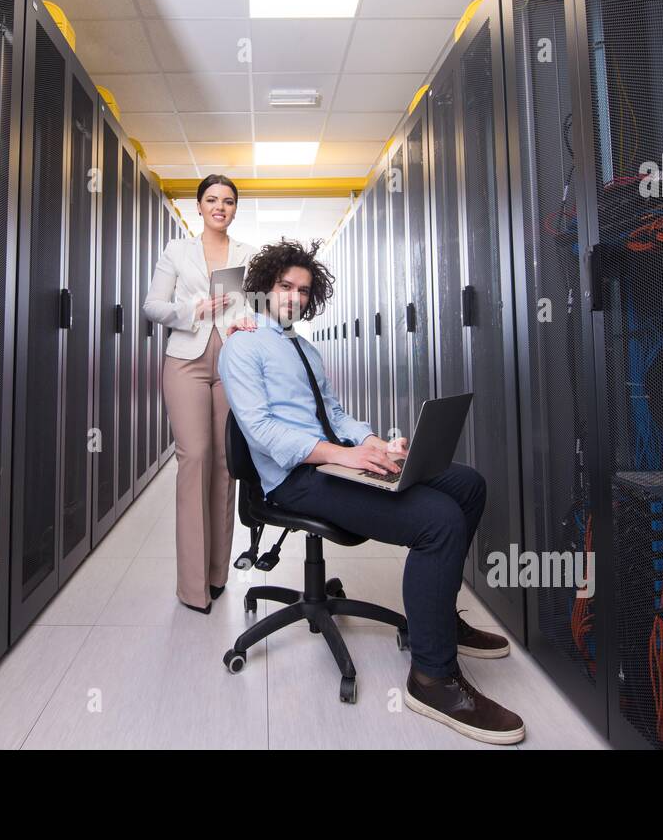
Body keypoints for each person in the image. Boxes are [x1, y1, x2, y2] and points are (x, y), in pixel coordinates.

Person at [216, 238, 526, 745]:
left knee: (467, 485)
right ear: (264, 288)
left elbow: (334, 414)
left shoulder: (306, 349)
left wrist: (373, 443)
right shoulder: (242, 347)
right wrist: (342, 456)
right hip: (296, 480)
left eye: (303, 291)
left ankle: (438, 620)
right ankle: (432, 679)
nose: (293, 298)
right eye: (284, 287)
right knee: (438, 520)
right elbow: (264, 433)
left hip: (335, 462)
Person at [142, 175, 258, 613]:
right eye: (212, 199)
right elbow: (152, 306)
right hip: (186, 361)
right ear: (199, 205)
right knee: (195, 457)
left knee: (225, 464)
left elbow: (253, 304)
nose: (220, 207)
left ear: (234, 209)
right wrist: (194, 310)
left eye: (228, 201)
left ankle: (216, 575)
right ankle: (192, 587)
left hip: (230, 360)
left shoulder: (245, 253)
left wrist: (245, 318)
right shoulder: (177, 251)